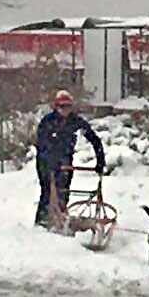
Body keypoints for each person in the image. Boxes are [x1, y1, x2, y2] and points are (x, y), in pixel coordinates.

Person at [34, 90, 105, 227]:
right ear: (56, 107)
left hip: (66, 160)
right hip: (46, 161)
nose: (65, 110)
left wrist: (100, 159)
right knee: (48, 192)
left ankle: (61, 219)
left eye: (68, 107)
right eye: (62, 107)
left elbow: (93, 138)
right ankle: (42, 223)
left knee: (64, 192)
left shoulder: (75, 121)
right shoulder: (48, 121)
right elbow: (41, 143)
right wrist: (49, 160)